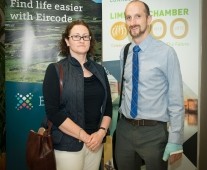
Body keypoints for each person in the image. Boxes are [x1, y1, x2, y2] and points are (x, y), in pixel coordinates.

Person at [115, 1, 184, 170]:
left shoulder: (166, 53)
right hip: (124, 131)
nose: (133, 22)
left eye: (138, 16)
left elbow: (176, 100)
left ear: (149, 19)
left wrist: (175, 139)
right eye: (128, 18)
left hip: (154, 134)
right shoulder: (124, 52)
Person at [43, 20, 112, 170]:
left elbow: (107, 107)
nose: (81, 40)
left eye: (85, 36)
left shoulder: (100, 71)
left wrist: (101, 133)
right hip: (68, 146)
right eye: (76, 36)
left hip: (96, 143)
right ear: (67, 41)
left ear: (90, 41)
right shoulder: (55, 70)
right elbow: (54, 112)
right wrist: (84, 136)